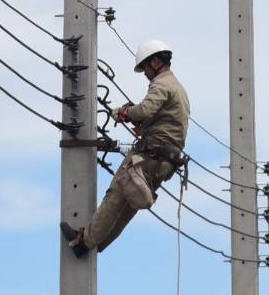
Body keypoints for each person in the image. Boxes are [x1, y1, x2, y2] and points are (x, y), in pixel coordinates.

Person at [60, 39, 190, 257]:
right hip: (165, 161)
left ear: (156, 62)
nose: (145, 73)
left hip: (149, 155)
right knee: (129, 204)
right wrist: (142, 124)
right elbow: (164, 121)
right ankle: (97, 243)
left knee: (116, 195)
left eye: (145, 67)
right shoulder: (178, 88)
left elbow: (145, 110)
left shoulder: (162, 84)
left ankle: (85, 241)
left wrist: (125, 113)